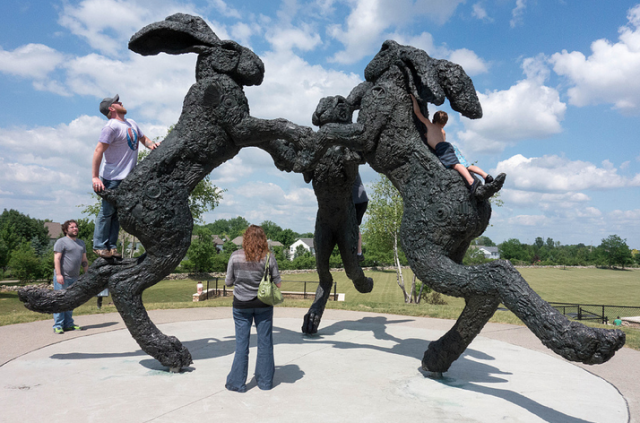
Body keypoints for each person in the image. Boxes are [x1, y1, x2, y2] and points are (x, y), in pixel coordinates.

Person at [92, 94, 157, 258]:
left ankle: (112, 247)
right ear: (111, 108)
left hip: (128, 179)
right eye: (117, 102)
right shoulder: (111, 127)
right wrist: (95, 177)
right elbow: (98, 150)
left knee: (117, 215)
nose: (121, 102)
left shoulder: (131, 123)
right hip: (112, 178)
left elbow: (143, 139)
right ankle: (99, 245)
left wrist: (152, 145)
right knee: (106, 213)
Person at [225, 225, 282, 392]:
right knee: (265, 343)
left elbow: (228, 282)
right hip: (263, 305)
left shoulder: (235, 257)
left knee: (241, 345)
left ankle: (237, 383)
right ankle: (265, 383)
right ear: (263, 239)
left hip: (241, 306)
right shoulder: (268, 258)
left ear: (245, 238)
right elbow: (278, 283)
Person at [410, 94, 493, 193]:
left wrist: (413, 99)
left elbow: (417, 112)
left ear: (434, 119)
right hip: (448, 146)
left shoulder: (429, 125)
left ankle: (471, 181)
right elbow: (441, 139)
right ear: (445, 123)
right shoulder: (442, 131)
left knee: (455, 165)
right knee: (463, 165)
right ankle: (485, 175)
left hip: (442, 148)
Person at [52, 220, 88, 334]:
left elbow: (84, 260)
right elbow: (57, 259)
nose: (75, 229)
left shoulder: (81, 243)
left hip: (75, 277)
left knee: (71, 301)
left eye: (76, 227)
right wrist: (58, 275)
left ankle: (68, 324)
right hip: (62, 277)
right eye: (72, 227)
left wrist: (87, 274)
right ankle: (58, 325)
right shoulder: (61, 242)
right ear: (65, 230)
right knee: (60, 301)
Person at [352, 171, 368, 262]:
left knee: (353, 226)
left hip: (357, 201)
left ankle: (358, 252)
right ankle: (359, 252)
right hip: (362, 200)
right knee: (355, 226)